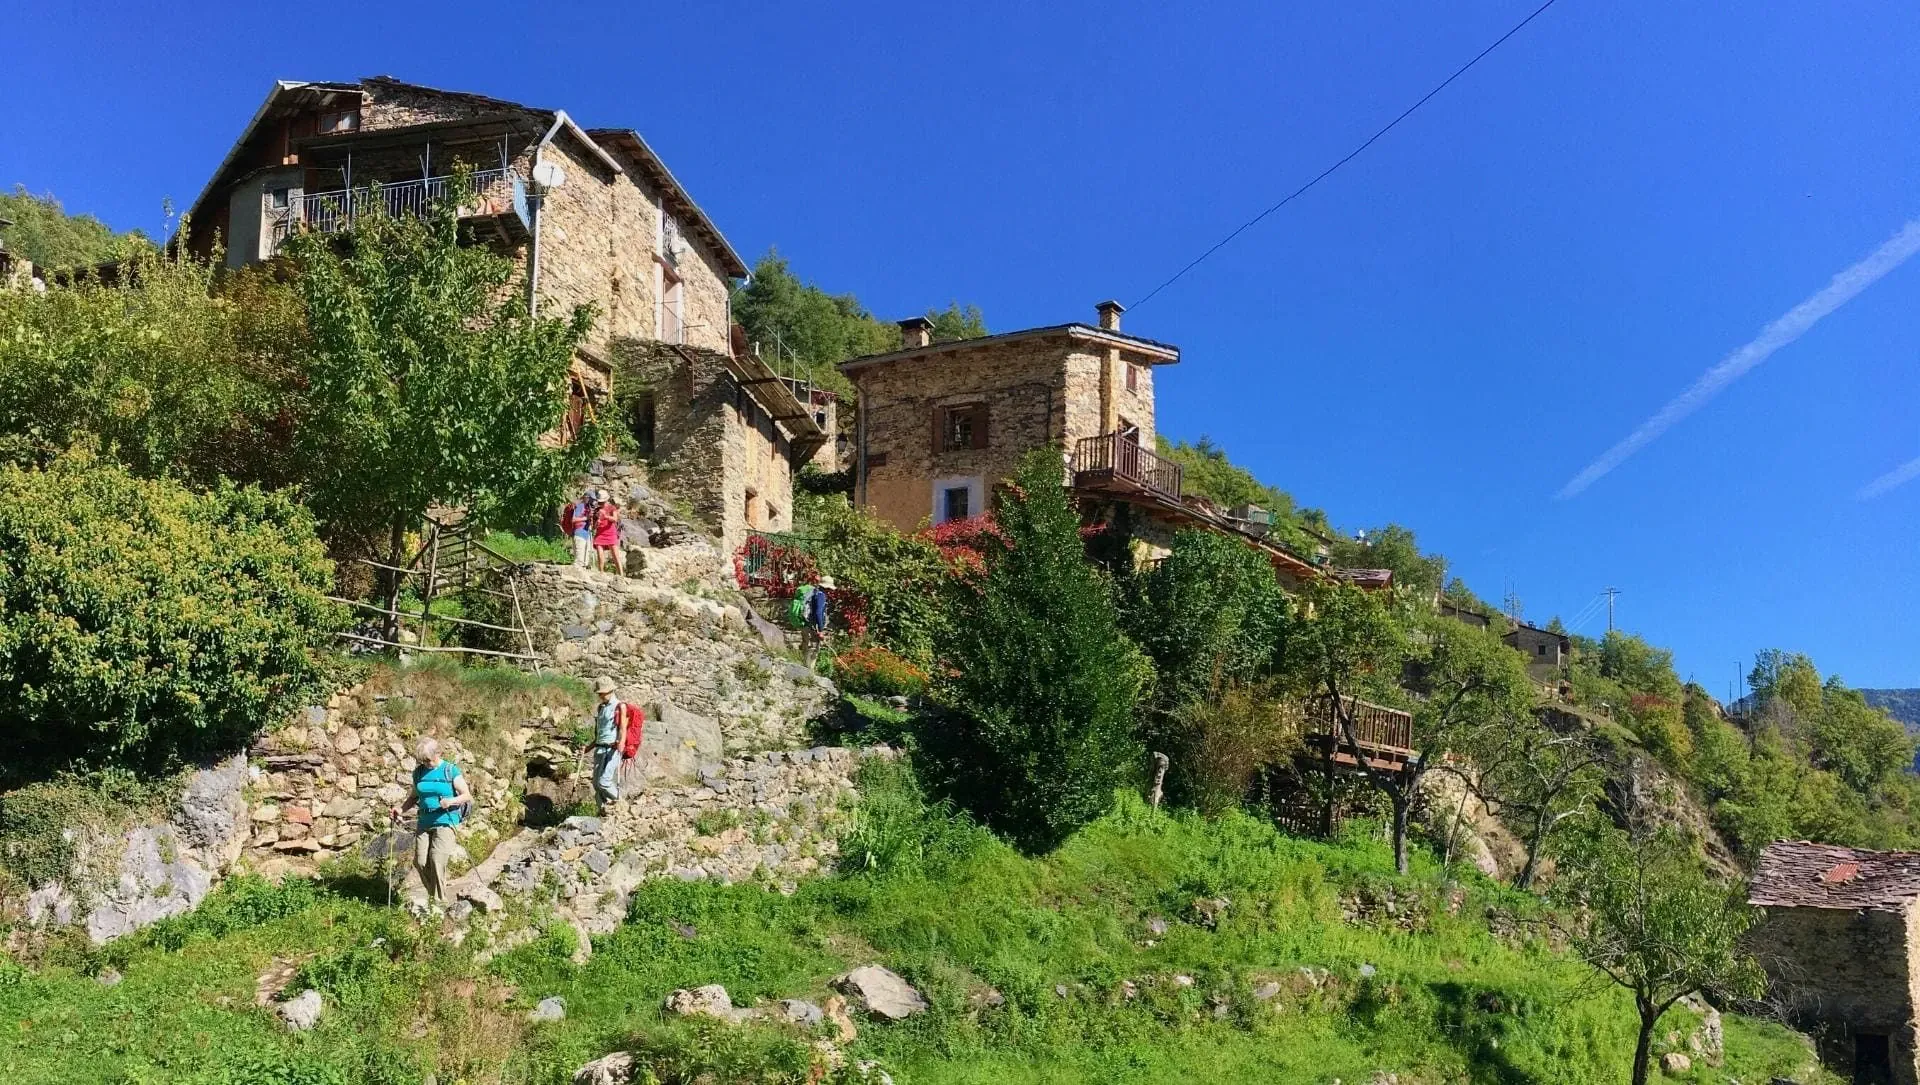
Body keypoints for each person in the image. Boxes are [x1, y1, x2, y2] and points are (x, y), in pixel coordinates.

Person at [388, 738, 470, 910]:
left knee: (437, 859)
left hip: (446, 821)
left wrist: (451, 801)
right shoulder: (419, 773)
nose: (425, 763)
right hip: (424, 821)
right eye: (422, 760)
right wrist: (400, 809)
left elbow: (466, 795)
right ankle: (435, 895)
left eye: (428, 760)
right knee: (420, 862)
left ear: (438, 754)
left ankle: (439, 904)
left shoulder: (450, 770)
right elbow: (413, 797)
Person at [590, 675, 628, 811]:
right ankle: (604, 811)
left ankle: (621, 804)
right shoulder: (601, 708)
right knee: (596, 784)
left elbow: (623, 728)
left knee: (604, 782)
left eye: (603, 693)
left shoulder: (620, 706)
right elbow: (599, 733)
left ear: (611, 691)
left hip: (613, 749)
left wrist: (621, 743)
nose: (601, 696)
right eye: (599, 693)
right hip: (600, 749)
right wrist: (588, 747)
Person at [803, 575, 834, 665]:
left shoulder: (814, 592)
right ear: (827, 587)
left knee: (806, 649)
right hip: (814, 628)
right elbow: (818, 613)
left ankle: (803, 672)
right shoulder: (821, 596)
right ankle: (809, 675)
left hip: (807, 624)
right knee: (812, 652)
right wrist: (820, 630)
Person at [562, 491, 596, 568]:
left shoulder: (587, 507)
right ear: (586, 498)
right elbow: (573, 520)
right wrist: (586, 518)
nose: (592, 501)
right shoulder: (580, 506)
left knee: (585, 561)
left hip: (585, 534)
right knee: (579, 561)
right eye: (591, 499)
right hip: (579, 533)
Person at [593, 495, 623, 574]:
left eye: (602, 502)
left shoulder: (612, 508)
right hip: (600, 533)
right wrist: (597, 522)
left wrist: (605, 516)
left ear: (606, 500)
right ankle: (601, 573)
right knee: (599, 554)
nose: (600, 503)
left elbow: (615, 519)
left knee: (615, 555)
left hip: (610, 533)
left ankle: (621, 575)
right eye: (599, 502)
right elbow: (594, 526)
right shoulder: (596, 510)